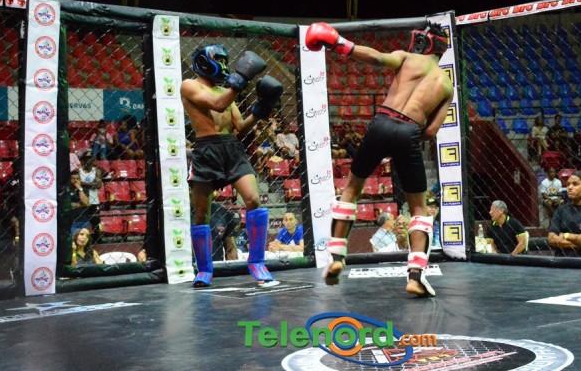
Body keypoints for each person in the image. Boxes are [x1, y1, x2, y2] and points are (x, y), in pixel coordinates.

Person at [306, 21, 453, 297]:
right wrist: (408, 134)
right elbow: (431, 131)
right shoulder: (446, 85)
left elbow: (376, 58)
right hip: (410, 131)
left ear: (422, 41)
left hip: (382, 122)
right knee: (419, 209)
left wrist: (339, 43)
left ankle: (336, 257)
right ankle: (415, 277)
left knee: (351, 189)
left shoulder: (407, 58)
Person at [181, 44, 283, 287]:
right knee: (201, 213)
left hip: (231, 149)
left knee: (253, 199)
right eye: (220, 60)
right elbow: (216, 105)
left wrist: (261, 108)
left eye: (226, 61)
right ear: (204, 62)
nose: (225, 66)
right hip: (206, 150)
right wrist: (240, 80)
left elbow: (240, 127)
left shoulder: (225, 92)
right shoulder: (189, 85)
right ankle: (204, 270)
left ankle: (257, 263)